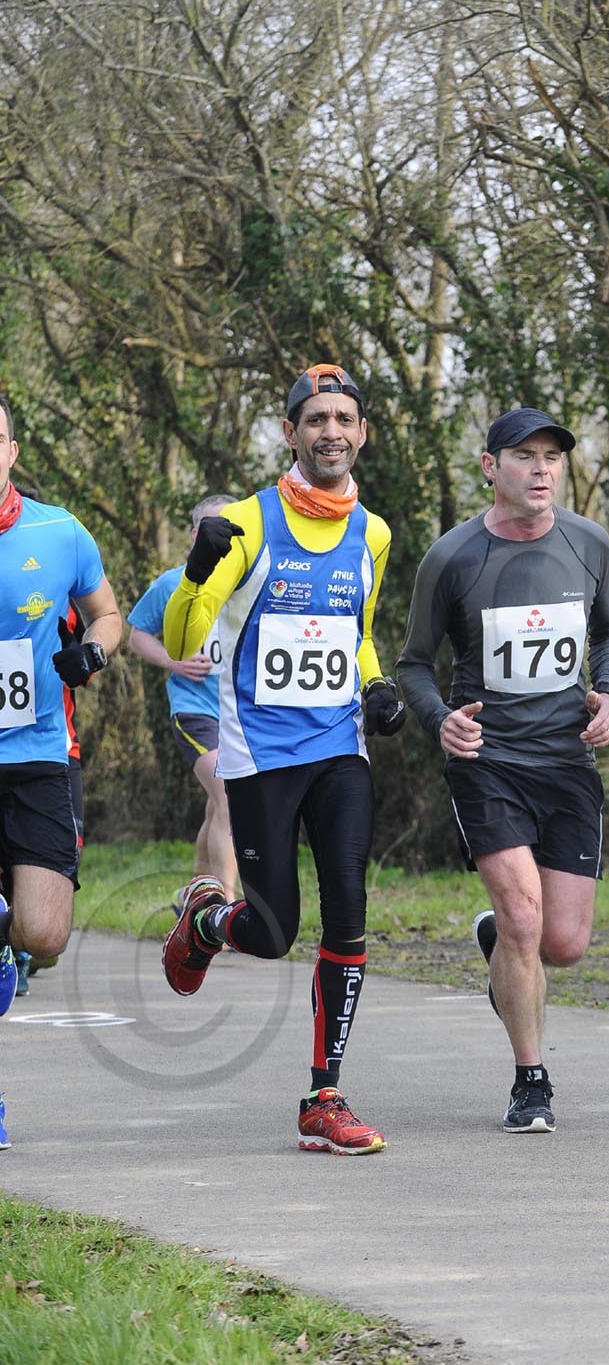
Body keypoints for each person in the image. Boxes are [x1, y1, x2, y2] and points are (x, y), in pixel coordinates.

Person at [160, 365, 405, 1155]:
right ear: (290, 432)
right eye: (316, 419)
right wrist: (197, 571)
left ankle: (322, 1096)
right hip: (260, 755)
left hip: (339, 749)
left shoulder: (373, 533)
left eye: (344, 419)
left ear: (362, 433)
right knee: (272, 933)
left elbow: (357, 633)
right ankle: (207, 921)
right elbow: (183, 642)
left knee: (348, 909)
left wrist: (376, 686)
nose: (331, 432)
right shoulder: (245, 524)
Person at [396, 407, 609, 1134]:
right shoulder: (452, 556)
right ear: (489, 467)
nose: (541, 469)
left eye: (552, 457)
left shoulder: (588, 542)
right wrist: (441, 719)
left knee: (564, 944)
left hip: (567, 760)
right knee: (526, 919)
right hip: (488, 762)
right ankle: (531, 1081)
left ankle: (498, 940)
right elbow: (413, 664)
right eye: (524, 456)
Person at [0, 394, 122, 1145]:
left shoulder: (60, 531)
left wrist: (94, 652)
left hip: (40, 755)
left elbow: (109, 613)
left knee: (43, 936)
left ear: (11, 450)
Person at [127, 495, 238, 905]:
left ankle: (193, 894)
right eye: (212, 528)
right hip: (195, 709)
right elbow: (137, 635)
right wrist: (174, 661)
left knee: (217, 806)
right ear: (194, 535)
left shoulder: (249, 583)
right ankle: (225, 905)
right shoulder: (171, 584)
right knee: (227, 796)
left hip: (239, 712)